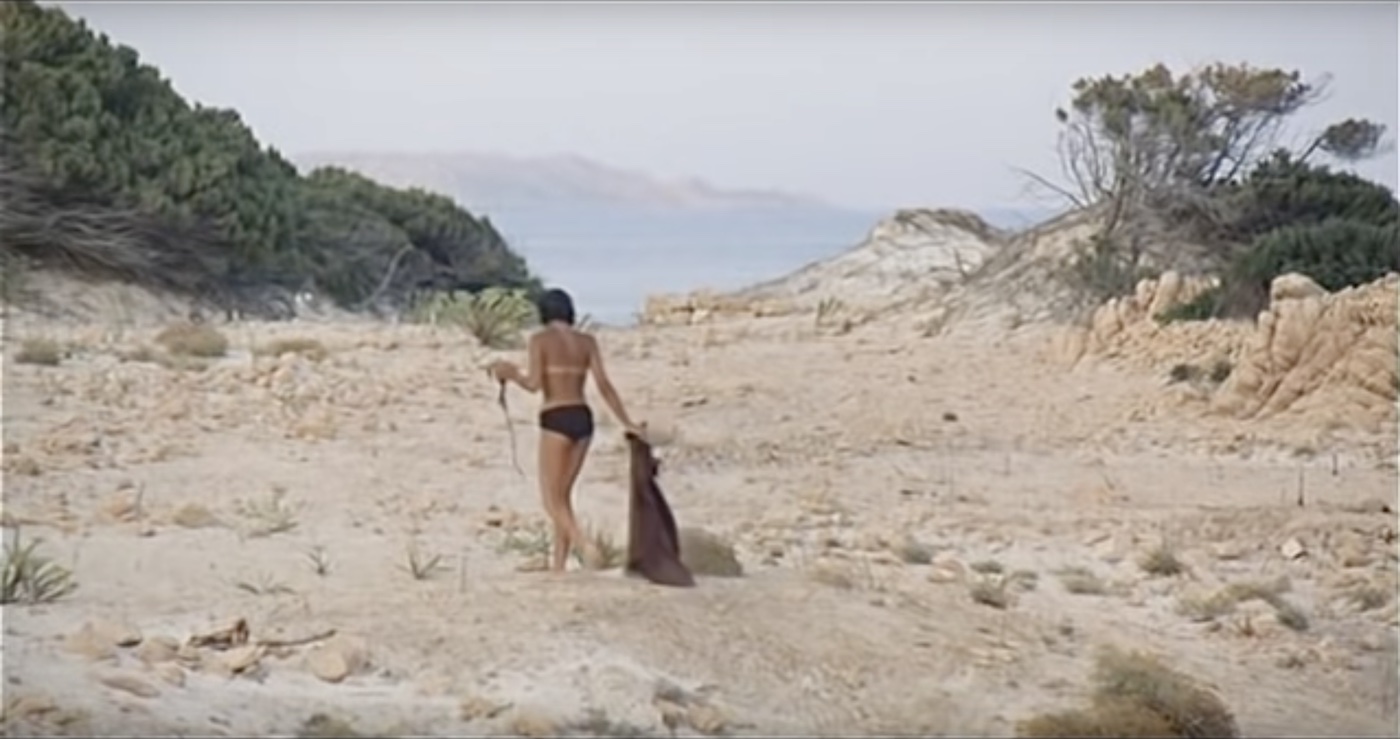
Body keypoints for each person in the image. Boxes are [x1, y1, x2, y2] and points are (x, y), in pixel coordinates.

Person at [489, 288, 643, 573]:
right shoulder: (586, 342)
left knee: (551, 498)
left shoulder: (540, 340)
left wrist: (510, 374)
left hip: (555, 416)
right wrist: (627, 421)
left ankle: (585, 546)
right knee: (564, 496)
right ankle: (558, 565)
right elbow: (604, 385)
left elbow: (534, 384)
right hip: (583, 418)